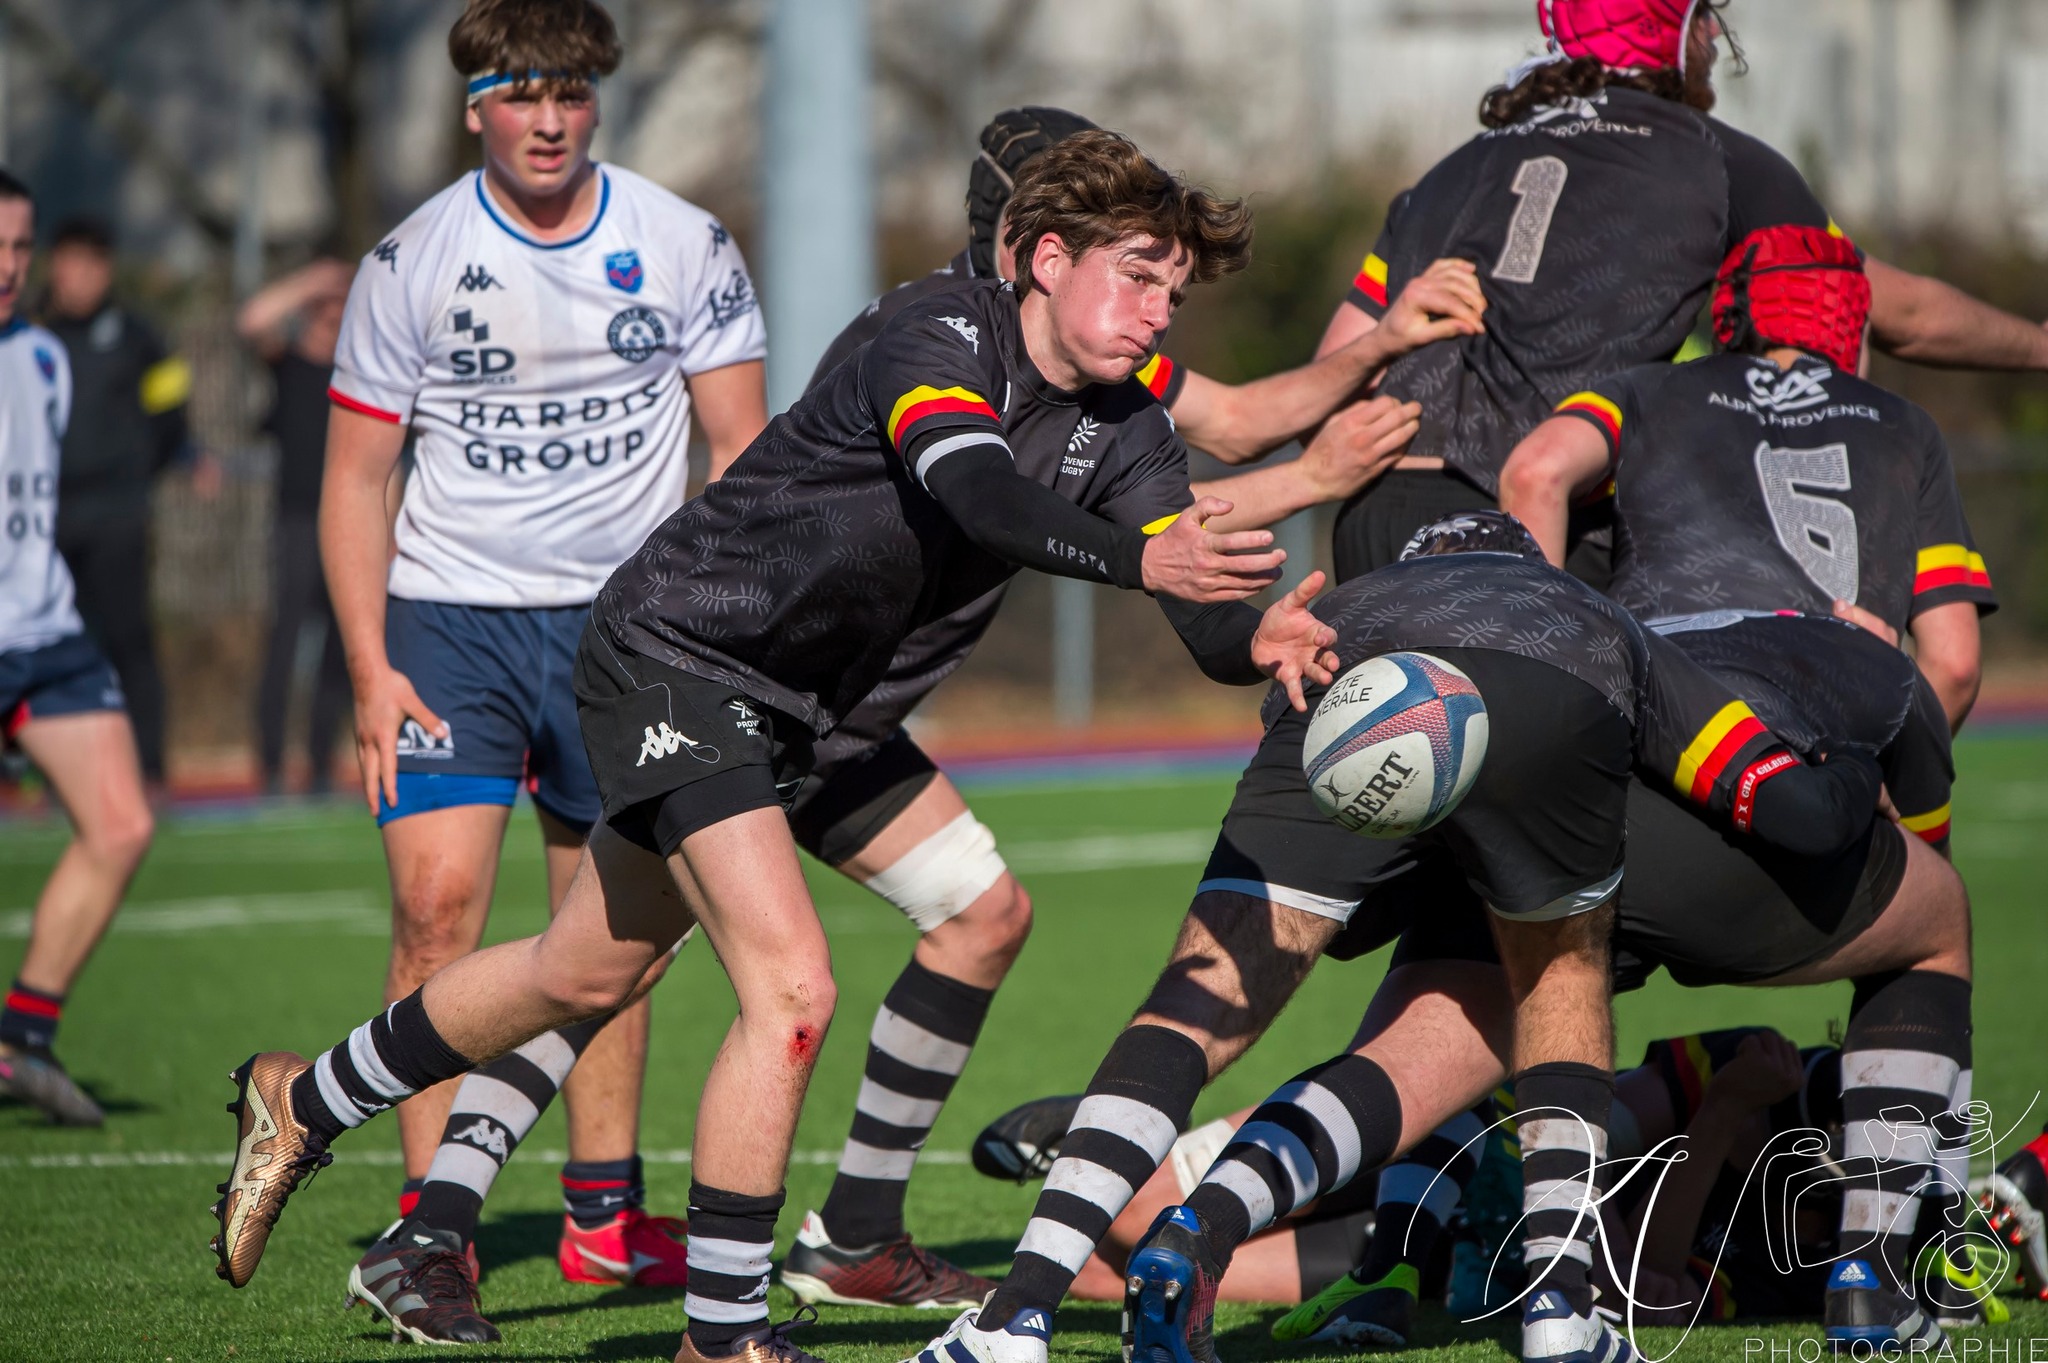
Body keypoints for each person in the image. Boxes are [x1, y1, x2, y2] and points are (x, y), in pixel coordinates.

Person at [211, 130, 1349, 1363]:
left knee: (578, 972)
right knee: (792, 988)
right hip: (678, 650)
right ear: (1045, 258)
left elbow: (1194, 598)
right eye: (1135, 275)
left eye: (1172, 291)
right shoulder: (934, 331)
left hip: (792, 709)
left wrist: (1254, 638)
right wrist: (1142, 557)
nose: (1156, 311)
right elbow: (978, 493)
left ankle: (303, 1098)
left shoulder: (1126, 428)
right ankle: (722, 1336)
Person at [910, 511, 1883, 1363]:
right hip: (1552, 690)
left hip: (1344, 688)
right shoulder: (1588, 610)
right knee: (1559, 979)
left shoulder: (1343, 612)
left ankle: (1014, 1312)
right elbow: (1791, 810)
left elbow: (1342, 927)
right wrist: (1848, 759)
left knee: (1191, 1003)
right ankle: (1559, 1310)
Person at [310, 0, 769, 1342]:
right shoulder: (410, 261)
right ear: (476, 107)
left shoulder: (683, 241)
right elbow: (354, 476)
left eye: (571, 92)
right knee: (436, 907)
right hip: (448, 622)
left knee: (609, 927)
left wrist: (718, 621)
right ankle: (430, 1235)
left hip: (629, 630)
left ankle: (602, 1216)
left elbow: (741, 450)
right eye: (522, 93)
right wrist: (367, 667)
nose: (550, 120)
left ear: (597, 101)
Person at [1314, 0, 2048, 584]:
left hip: (1377, 518)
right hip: (1534, 519)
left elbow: (1333, 374)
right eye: (1706, 18)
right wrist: (2038, 346)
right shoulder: (1719, 161)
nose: (1716, 37)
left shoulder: (1450, 171)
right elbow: (1900, 311)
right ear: (1673, 36)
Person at [1499, 223, 1997, 737]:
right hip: (1836, 719)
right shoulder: (1907, 427)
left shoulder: (1646, 389)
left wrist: (1550, 673)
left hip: (1674, 715)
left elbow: (1535, 472)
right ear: (1854, 324)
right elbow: (1955, 665)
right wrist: (1890, 758)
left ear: (1730, 317)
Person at [0, 170, 156, 1126]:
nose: (8, 266)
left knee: (122, 825)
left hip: (46, 631)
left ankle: (22, 1040)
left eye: (20, 246)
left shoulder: (43, 360)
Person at [40, 216, 197, 787]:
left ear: (105, 269)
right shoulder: (34, 338)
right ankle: (60, 774)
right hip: (52, 519)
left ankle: (149, 765)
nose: (76, 276)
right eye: (66, 262)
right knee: (60, 645)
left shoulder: (138, 336)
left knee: (130, 639)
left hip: (119, 514)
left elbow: (171, 414)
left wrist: (137, 473)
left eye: (88, 263)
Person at [237, 258, 357, 794]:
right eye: (325, 303)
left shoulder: (360, 374)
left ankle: (320, 761)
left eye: (341, 302)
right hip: (296, 522)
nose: (333, 313)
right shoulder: (287, 363)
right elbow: (251, 321)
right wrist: (311, 280)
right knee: (284, 640)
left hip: (349, 525)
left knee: (340, 646)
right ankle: (269, 762)